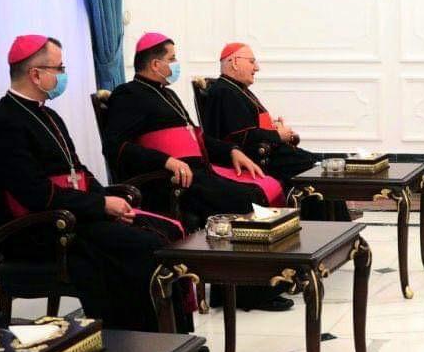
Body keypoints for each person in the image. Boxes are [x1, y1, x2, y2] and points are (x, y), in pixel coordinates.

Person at [0, 35, 189, 331]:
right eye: (59, 68)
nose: (63, 74)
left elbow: (78, 172)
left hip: (72, 217)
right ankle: (142, 338)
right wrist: (101, 204)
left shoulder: (48, 114)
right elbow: (36, 194)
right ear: (35, 74)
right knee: (144, 245)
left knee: (161, 230)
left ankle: (174, 336)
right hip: (43, 229)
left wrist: (107, 199)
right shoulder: (5, 122)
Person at [102, 32, 292, 311]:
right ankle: (245, 293)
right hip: (168, 181)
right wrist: (165, 161)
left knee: (253, 191)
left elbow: (197, 138)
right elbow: (117, 147)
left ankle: (241, 287)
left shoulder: (167, 94)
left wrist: (231, 151)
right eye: (172, 58)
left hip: (197, 174)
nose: (176, 64)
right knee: (245, 200)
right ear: (155, 64)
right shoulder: (128, 95)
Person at [201, 42, 346, 220]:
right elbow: (243, 137)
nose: (257, 68)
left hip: (272, 154)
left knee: (327, 170)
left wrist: (279, 132)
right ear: (235, 62)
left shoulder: (237, 89)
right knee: (323, 174)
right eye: (252, 61)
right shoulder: (225, 91)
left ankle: (339, 229)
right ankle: (328, 228)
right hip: (260, 159)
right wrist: (278, 135)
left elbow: (252, 129)